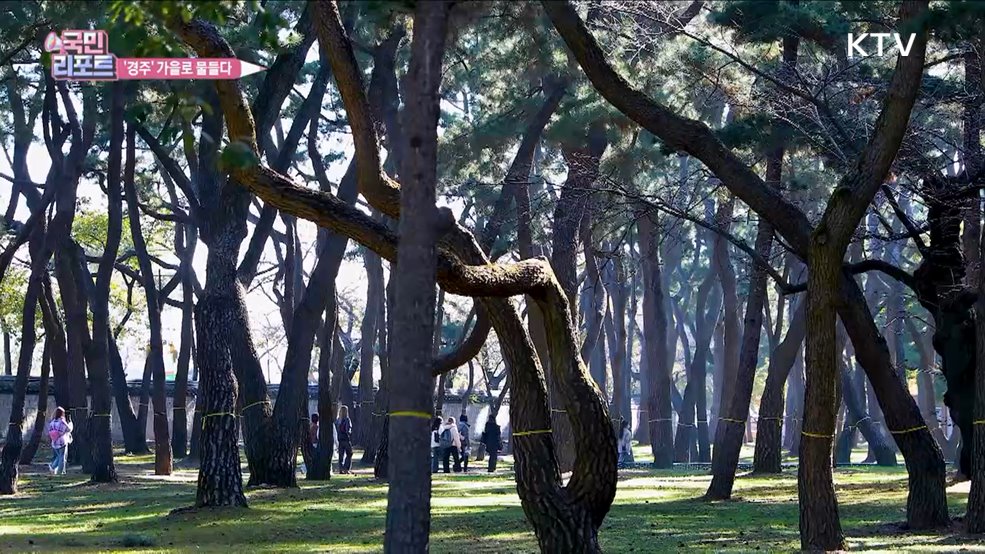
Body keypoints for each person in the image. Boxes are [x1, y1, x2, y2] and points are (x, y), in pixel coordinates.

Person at [47, 407, 73, 475]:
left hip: (54, 442)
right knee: (62, 457)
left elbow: (49, 431)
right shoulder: (62, 422)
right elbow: (68, 429)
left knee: (58, 457)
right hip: (62, 441)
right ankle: (59, 472)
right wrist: (70, 424)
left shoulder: (52, 422)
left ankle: (52, 468)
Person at [336, 406, 353, 474]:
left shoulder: (338, 420)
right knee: (349, 453)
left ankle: (341, 468)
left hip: (340, 439)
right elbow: (348, 429)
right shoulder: (347, 419)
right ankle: (346, 468)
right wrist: (349, 433)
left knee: (341, 455)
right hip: (346, 439)